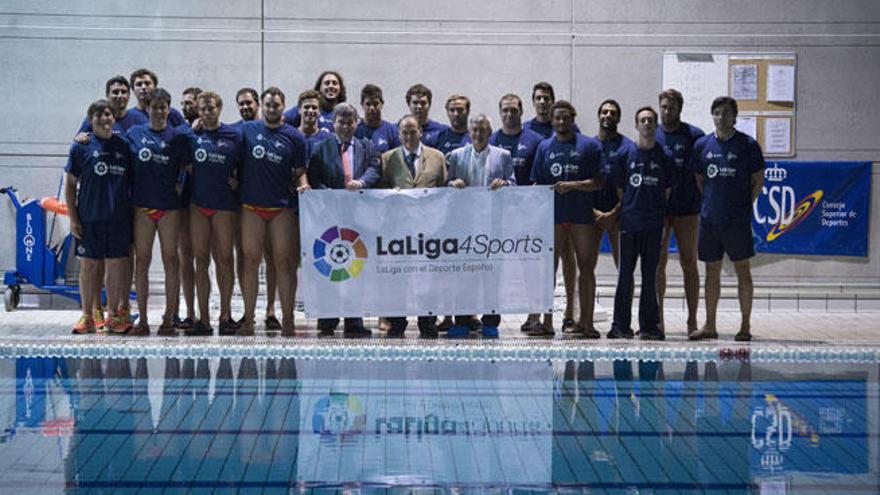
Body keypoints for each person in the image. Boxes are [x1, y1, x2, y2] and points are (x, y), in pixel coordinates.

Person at [690, 96, 765, 342]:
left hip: (737, 221)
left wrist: (741, 206)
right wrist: (714, 204)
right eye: (717, 113)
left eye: (726, 113)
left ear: (735, 117)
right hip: (710, 220)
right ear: (712, 115)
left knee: (743, 270)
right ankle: (709, 325)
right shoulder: (702, 145)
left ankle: (745, 325)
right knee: (711, 271)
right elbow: (700, 181)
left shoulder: (748, 145)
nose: (722, 117)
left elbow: (757, 181)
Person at [305, 103, 382, 337]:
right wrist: (326, 192)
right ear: (334, 123)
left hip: (359, 220)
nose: (346, 126)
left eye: (350, 122)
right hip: (329, 220)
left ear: (356, 124)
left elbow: (375, 169)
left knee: (355, 269)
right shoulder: (321, 148)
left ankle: (354, 321)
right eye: (341, 122)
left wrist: (363, 183)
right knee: (330, 267)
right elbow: (314, 177)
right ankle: (327, 319)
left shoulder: (366, 146)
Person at [528, 101, 603, 338]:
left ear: (573, 118)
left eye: (565, 117)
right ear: (551, 120)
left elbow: (598, 182)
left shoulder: (589, 145)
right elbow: (538, 183)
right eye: (557, 118)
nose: (561, 122)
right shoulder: (544, 147)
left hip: (581, 216)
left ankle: (587, 323)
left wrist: (573, 185)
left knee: (586, 267)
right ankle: (547, 322)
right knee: (548, 270)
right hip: (553, 216)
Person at [238, 87, 308, 337]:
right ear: (261, 107)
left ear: (283, 106)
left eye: (275, 105)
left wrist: (303, 184)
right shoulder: (246, 130)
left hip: (281, 208)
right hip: (251, 207)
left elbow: (299, 171)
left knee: (284, 263)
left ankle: (288, 320)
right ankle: (248, 319)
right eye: (267, 105)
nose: (271, 109)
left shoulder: (294, 137)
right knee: (250, 262)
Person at [65, 100, 133, 334]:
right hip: (89, 218)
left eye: (109, 115)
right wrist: (73, 218)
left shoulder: (124, 146)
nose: (105, 119)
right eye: (99, 116)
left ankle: (113, 315)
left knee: (115, 267)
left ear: (114, 119)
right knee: (89, 267)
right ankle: (87, 317)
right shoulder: (80, 147)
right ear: (91, 120)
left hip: (118, 219)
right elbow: (71, 185)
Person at [126, 88, 189, 336]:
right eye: (155, 107)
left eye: (164, 107)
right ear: (147, 109)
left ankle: (168, 319)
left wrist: (179, 185)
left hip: (169, 208)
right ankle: (142, 319)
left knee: (171, 260)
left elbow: (189, 168)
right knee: (141, 261)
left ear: (169, 109)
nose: (160, 111)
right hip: (142, 207)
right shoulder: (135, 134)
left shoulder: (178, 137)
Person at [445, 114, 515, 338]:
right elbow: (446, 186)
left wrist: (505, 183)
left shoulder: (503, 155)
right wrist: (451, 184)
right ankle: (462, 321)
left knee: (491, 278)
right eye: (474, 130)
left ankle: (491, 322)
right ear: (469, 132)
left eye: (482, 130)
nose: (478, 134)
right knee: (464, 278)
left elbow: (513, 183)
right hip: (464, 227)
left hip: (492, 227)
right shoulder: (455, 156)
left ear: (490, 131)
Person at [607, 107, 673, 341]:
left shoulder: (665, 156)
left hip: (653, 225)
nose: (646, 123)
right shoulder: (625, 155)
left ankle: (649, 326)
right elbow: (620, 190)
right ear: (636, 125)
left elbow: (666, 191)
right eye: (642, 120)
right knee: (625, 275)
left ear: (656, 125)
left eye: (650, 120)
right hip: (629, 224)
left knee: (649, 275)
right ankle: (620, 326)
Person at [379, 115, 448, 338]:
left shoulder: (437, 157)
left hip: (430, 230)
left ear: (421, 132)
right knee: (398, 277)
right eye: (404, 132)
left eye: (412, 131)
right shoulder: (387, 159)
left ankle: (427, 320)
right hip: (398, 232)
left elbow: (444, 191)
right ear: (399, 135)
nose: (408, 136)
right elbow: (381, 194)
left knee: (428, 277)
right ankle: (397, 321)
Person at [183, 91, 241, 336]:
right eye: (203, 109)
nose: (207, 113)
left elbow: (245, 165)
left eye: (211, 108)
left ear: (219, 108)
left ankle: (225, 315)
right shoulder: (191, 136)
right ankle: (203, 318)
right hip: (198, 205)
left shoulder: (233, 136)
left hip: (224, 206)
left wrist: (239, 179)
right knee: (201, 260)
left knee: (225, 260)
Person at [524, 82, 579, 331]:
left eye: (547, 98)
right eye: (539, 98)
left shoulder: (570, 128)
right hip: (538, 207)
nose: (543, 102)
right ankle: (534, 313)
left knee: (568, 257)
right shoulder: (527, 129)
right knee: (540, 262)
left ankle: (569, 312)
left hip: (567, 208)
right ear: (533, 102)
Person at [489, 93, 545, 333]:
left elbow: (539, 180)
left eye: (513, 110)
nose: (509, 114)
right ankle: (490, 315)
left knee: (530, 266)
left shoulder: (535, 140)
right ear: (500, 112)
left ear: (521, 111)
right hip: (496, 217)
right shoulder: (491, 139)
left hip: (526, 217)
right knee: (493, 267)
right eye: (505, 110)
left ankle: (534, 315)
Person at [655, 88, 706, 335]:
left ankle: (693, 320)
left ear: (680, 108)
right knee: (658, 265)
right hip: (659, 209)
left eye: (671, 107)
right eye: (663, 107)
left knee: (689, 262)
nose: (667, 111)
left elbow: (702, 172)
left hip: (687, 208)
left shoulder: (695, 136)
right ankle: (659, 320)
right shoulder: (652, 133)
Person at [230, 87, 280, 330]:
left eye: (249, 103)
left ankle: (271, 309)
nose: (245, 107)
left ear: (258, 104)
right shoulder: (234, 130)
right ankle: (247, 310)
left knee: (272, 256)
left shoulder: (274, 127)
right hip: (245, 203)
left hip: (273, 204)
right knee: (246, 258)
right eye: (241, 104)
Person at [592, 99, 634, 269]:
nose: (608, 115)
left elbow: (631, 187)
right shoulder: (588, 145)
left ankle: (625, 297)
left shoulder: (629, 147)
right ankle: (584, 297)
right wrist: (596, 213)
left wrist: (614, 213)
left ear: (618, 119)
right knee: (586, 265)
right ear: (599, 116)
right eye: (604, 112)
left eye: (613, 113)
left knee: (624, 266)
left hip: (620, 214)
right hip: (592, 215)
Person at [355, 83, 400, 155]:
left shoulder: (392, 131)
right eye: (368, 104)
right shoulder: (355, 130)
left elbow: (397, 158)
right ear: (362, 105)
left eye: (375, 103)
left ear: (382, 104)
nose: (372, 108)